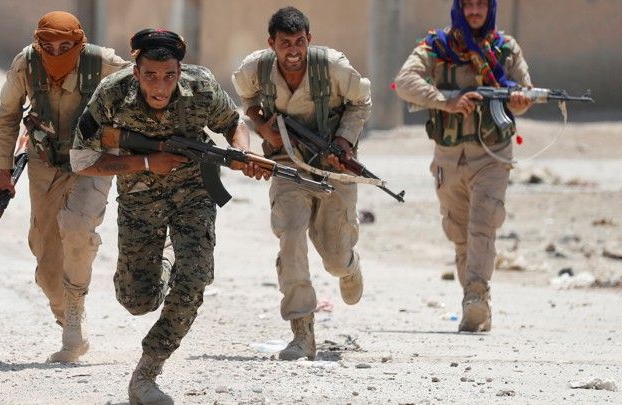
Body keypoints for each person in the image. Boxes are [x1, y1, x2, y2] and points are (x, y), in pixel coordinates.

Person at [70, 28, 266, 404]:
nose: (160, 86)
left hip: (195, 192)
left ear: (180, 69)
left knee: (195, 276)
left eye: (170, 75)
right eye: (150, 76)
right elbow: (82, 160)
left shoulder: (202, 86)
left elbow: (233, 123)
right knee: (136, 301)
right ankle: (166, 261)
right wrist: (146, 161)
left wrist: (243, 151)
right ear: (135, 70)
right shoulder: (112, 94)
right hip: (139, 200)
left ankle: (148, 372)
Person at [0, 11, 139, 363]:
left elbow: (144, 87)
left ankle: (74, 318)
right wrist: (3, 169)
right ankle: (66, 312)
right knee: (45, 261)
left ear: (80, 43)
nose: (56, 53)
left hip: (94, 158)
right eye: (48, 45)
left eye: (65, 46)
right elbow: (7, 116)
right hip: (45, 161)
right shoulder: (26, 63)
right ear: (37, 43)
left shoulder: (100, 62)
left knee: (76, 226)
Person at [232, 6, 371, 361]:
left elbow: (360, 102)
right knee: (291, 236)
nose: (292, 51)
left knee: (335, 258)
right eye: (284, 44)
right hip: (286, 165)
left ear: (309, 39)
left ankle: (350, 267)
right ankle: (302, 332)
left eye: (299, 42)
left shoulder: (334, 67)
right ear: (272, 44)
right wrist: (262, 126)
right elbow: (246, 99)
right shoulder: (255, 69)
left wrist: (342, 143)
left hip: (331, 168)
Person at [394, 0, 533, 332]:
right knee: (459, 234)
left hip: (493, 155)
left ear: (490, 8)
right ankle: (474, 301)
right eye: (468, 4)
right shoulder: (437, 47)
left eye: (480, 5)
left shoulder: (505, 48)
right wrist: (447, 101)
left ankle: (476, 297)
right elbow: (404, 81)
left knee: (483, 221)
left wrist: (518, 99)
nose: (474, 11)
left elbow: (526, 93)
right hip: (449, 155)